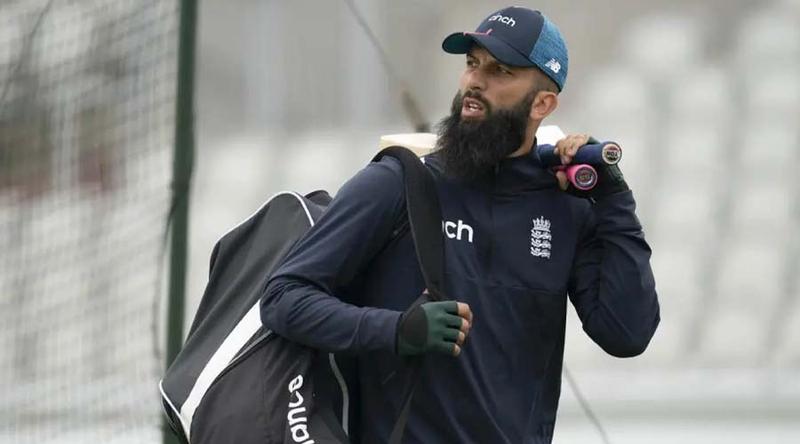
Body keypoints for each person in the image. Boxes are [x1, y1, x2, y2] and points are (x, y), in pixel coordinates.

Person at [262, 6, 659, 443]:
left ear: (543, 103)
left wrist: (614, 200)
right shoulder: (397, 183)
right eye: (472, 63)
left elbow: (626, 335)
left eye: (500, 71)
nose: (475, 81)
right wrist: (395, 330)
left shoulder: (567, 208)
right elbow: (283, 297)